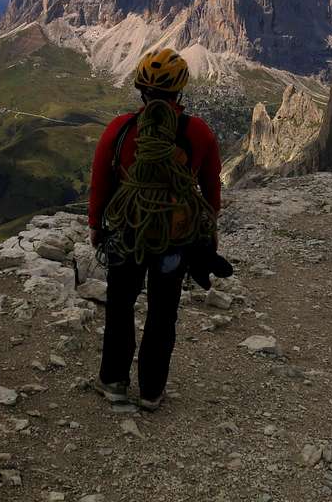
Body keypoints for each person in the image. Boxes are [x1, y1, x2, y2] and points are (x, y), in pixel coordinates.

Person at [88, 48, 230, 411]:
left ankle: (114, 381)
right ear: (179, 92)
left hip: (127, 234)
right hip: (175, 238)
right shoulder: (197, 132)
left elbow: (101, 183)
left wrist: (95, 226)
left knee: (120, 307)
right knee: (163, 313)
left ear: (141, 90)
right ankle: (151, 391)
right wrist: (208, 231)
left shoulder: (120, 129)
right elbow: (210, 186)